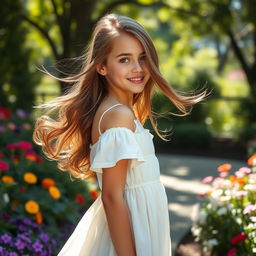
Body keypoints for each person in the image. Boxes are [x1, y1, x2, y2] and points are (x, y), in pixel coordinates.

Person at [33, 13, 208, 256]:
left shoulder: (121, 111)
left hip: (138, 228)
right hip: (128, 238)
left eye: (143, 58)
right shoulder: (117, 115)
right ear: (102, 66)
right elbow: (112, 197)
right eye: (124, 59)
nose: (138, 68)